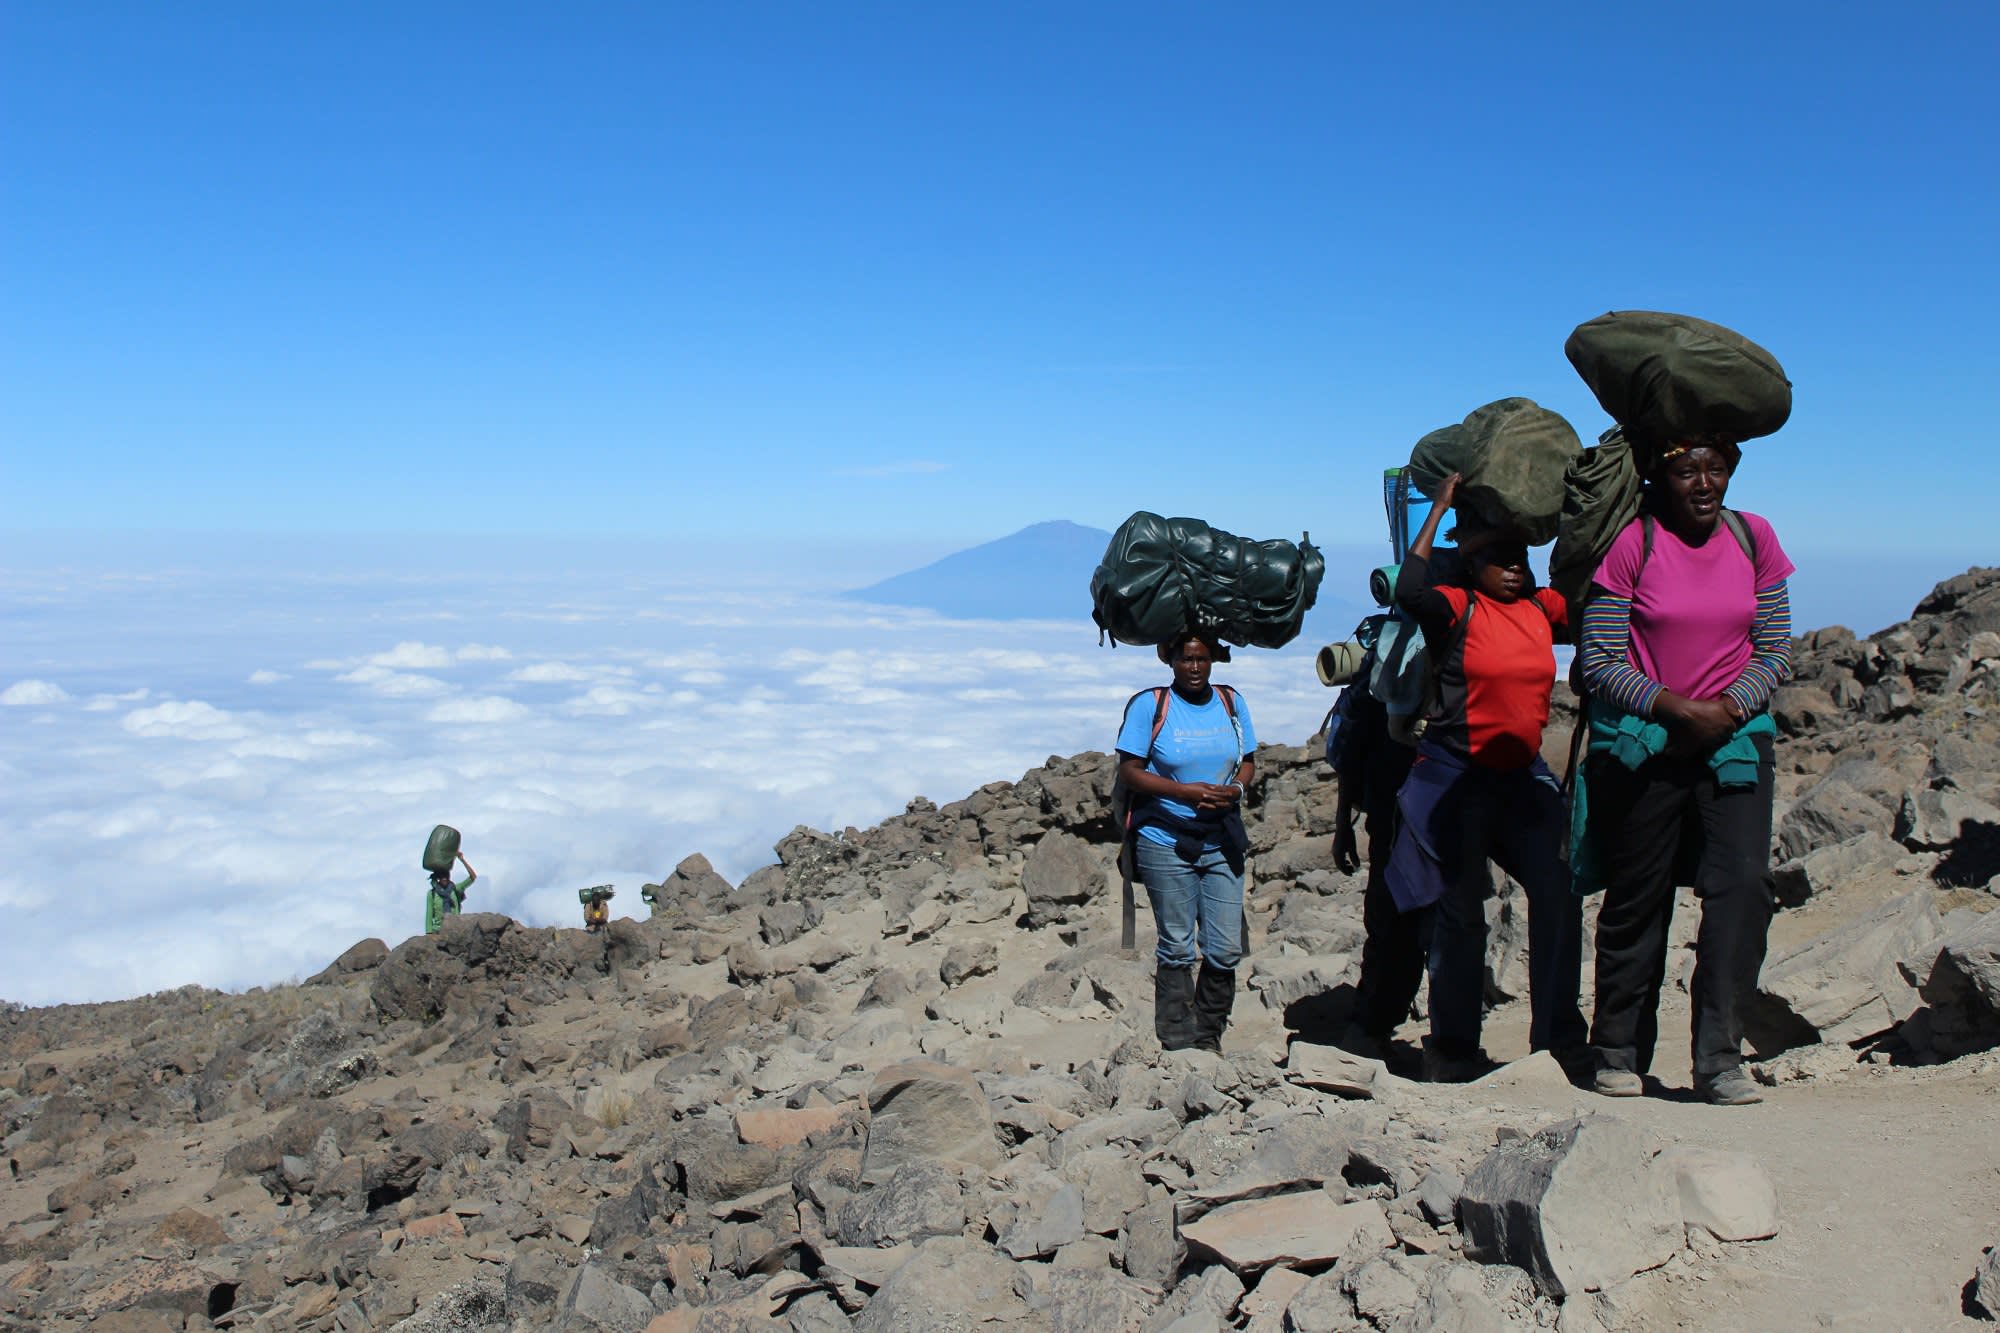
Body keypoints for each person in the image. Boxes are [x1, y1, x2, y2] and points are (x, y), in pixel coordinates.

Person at [1577, 439, 1793, 1106]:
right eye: (1686, 469)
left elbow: (1776, 646)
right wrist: (1674, 707)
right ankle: (1617, 1049)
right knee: (1638, 895)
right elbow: (1599, 659)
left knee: (1742, 888)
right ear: (1660, 477)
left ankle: (1719, 1058)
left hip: (1734, 738)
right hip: (1650, 743)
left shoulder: (1753, 537)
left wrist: (1728, 706)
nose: (1704, 482)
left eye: (1715, 467)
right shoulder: (1633, 545)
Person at [1388, 473, 1587, 1081]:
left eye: (1519, 559)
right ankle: (1453, 1047)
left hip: (1522, 778)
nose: (1512, 570)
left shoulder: (1538, 608)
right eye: (1497, 560)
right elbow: (1408, 586)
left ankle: (1558, 1037)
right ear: (1470, 564)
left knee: (1559, 890)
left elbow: (1588, 596)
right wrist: (1440, 508)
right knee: (1461, 912)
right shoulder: (1457, 606)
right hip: (1459, 778)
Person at [1116, 629, 1257, 1053]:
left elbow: (1247, 761)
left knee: (1225, 946)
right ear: (1170, 661)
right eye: (1185, 659)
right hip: (1164, 838)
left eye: (1201, 659)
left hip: (1221, 838)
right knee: (1177, 944)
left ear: (1213, 659)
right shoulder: (1151, 705)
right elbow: (1130, 770)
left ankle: (1208, 1036)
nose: (1194, 667)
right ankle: (1178, 1041)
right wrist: (1186, 792)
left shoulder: (1232, 701)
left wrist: (1235, 790)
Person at [1329, 679, 1423, 1059]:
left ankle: (1374, 1024)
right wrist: (1342, 826)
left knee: (1393, 920)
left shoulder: (1386, 671)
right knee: (1396, 919)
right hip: (1397, 809)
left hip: (1397, 808)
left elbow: (1352, 755)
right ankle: (1373, 1025)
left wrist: (1342, 825)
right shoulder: (1387, 675)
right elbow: (1356, 750)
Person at [426, 850, 476, 934]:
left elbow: (472, 877)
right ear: (439, 878)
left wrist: (462, 859)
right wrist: (429, 932)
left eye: (446, 876)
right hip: (438, 930)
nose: (444, 878)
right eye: (442, 876)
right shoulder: (432, 894)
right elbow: (429, 914)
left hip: (455, 929)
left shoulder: (455, 889)